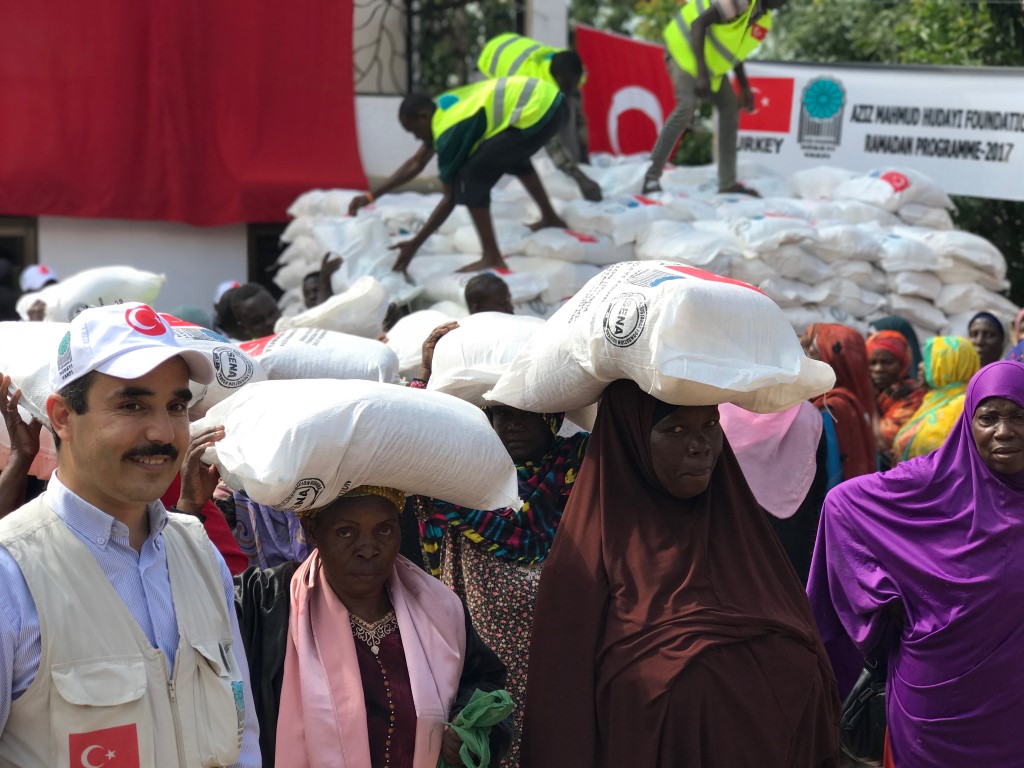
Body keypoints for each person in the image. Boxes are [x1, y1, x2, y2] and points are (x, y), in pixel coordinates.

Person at [521, 380, 840, 767]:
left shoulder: (743, 536)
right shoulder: (586, 561)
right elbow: (561, 719)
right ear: (633, 441)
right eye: (674, 429)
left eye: (710, 425)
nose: (700, 445)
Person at [0, 302, 259, 766]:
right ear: (62, 416)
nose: (163, 432)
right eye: (132, 405)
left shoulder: (199, 554)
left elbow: (243, 739)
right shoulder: (12, 573)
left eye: (176, 406)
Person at [807, 361, 1024, 765]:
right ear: (968, 422)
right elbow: (842, 505)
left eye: (1019, 417)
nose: (1004, 431)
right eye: (988, 418)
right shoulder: (931, 483)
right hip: (934, 709)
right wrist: (880, 593)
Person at [273, 486, 512, 767]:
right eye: (346, 532)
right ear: (312, 531)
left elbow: (483, 681)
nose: (368, 549)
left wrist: (465, 729)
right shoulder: (275, 610)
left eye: (384, 530)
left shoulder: (440, 609)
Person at [348, 76, 569, 274]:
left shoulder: (448, 132)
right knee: (510, 155)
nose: (416, 138)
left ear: (423, 117)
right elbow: (416, 162)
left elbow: (451, 197)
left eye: (413, 130)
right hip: (553, 102)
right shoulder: (443, 107)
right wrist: (371, 196)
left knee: (470, 179)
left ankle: (492, 257)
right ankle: (551, 217)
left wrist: (415, 244)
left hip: (539, 111)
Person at [643, 0, 782, 196]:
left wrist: (744, 87)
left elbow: (735, 52)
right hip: (684, 51)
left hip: (708, 66)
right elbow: (698, 24)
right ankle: (651, 177)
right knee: (686, 107)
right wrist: (701, 75)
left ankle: (727, 184)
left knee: (729, 107)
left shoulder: (763, 19)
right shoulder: (739, 2)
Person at [477, 33, 602, 201]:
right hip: (489, 58)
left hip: (513, 44)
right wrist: (580, 178)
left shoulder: (569, 67)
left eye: (574, 86)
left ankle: (576, 164)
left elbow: (578, 115)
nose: (571, 91)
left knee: (564, 109)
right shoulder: (533, 88)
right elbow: (551, 142)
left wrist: (584, 157)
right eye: (567, 87)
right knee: (512, 137)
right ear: (558, 79)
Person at [719, 401, 825, 584]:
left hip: (735, 545)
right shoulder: (808, 414)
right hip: (794, 544)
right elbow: (820, 482)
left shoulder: (722, 414)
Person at [801, 323, 877, 485]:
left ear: (829, 360)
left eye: (813, 353)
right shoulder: (860, 398)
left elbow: (828, 475)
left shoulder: (830, 409)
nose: (805, 359)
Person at [892, 335, 980, 463]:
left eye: (929, 361)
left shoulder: (962, 406)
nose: (920, 366)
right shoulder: (935, 399)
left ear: (948, 366)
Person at [866, 330, 925, 470]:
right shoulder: (871, 391)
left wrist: (868, 399)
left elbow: (882, 442)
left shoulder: (913, 397)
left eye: (887, 362)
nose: (878, 369)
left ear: (902, 363)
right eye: (872, 363)